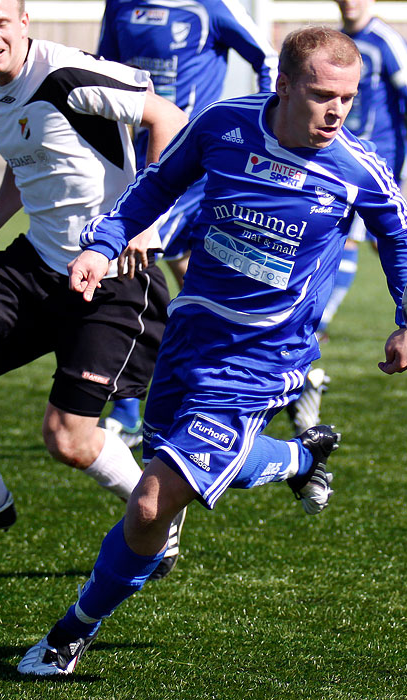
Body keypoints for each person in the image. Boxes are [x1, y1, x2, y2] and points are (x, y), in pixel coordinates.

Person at [17, 25, 407, 676]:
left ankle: (68, 635)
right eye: (323, 95)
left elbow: (401, 236)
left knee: (151, 499)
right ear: (284, 85)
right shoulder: (224, 124)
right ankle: (299, 456)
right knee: (161, 497)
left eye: (347, 99)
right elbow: (156, 184)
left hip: (265, 359)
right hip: (189, 336)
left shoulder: (355, 167)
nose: (337, 113)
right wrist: (101, 244)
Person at [0, 0, 187, 555]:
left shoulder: (64, 74)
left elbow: (169, 118)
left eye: (1, 23)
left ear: (23, 22)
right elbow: (26, 161)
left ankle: (159, 518)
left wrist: (143, 224)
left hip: (109, 275)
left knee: (67, 440)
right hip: (35, 263)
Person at [96, 0, 279, 446]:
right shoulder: (121, 4)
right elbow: (103, 68)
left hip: (186, 162)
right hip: (133, 161)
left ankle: (127, 407)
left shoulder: (210, 9)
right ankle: (270, 374)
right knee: (195, 278)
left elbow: (268, 58)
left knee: (130, 256)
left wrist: (265, 117)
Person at [316, 0, 407, 343]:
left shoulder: (386, 41)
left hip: (379, 159)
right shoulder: (338, 41)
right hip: (339, 156)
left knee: (350, 239)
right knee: (377, 241)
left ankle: (319, 324)